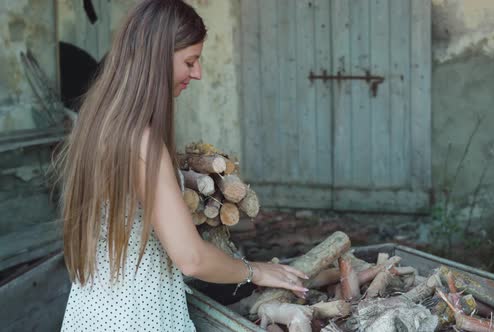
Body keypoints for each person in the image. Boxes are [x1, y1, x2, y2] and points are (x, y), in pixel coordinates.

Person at [57, 1, 308, 331]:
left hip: (91, 312)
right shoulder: (143, 141)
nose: (198, 72)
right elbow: (191, 258)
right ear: (157, 57)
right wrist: (255, 270)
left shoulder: (96, 123)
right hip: (139, 318)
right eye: (190, 61)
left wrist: (179, 184)